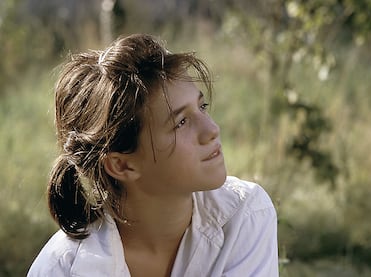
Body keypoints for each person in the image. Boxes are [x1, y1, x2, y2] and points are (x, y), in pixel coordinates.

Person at [27, 33, 279, 277]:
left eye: (202, 107)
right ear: (122, 165)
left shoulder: (243, 217)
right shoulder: (63, 269)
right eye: (180, 122)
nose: (212, 130)